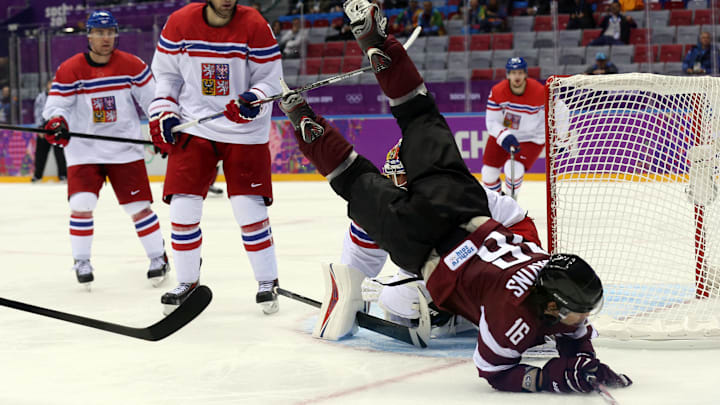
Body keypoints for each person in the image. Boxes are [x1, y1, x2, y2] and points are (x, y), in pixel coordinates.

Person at [279, 0, 633, 393]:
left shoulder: (543, 289)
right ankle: (305, 119)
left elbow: (357, 266)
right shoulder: (516, 314)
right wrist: (555, 374)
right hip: (427, 245)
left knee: (417, 117)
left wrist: (581, 356)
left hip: (456, 211)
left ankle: (367, 56)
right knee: (353, 178)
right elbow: (495, 372)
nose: (583, 318)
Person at [149, 0, 282, 315]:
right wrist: (165, 110)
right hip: (196, 125)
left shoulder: (254, 24)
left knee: (248, 209)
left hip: (245, 130)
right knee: (182, 206)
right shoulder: (179, 23)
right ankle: (186, 281)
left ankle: (267, 281)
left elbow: (270, 79)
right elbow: (166, 77)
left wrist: (255, 98)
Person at [342, 138, 542, 337]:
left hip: (514, 241)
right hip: (480, 249)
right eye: (394, 175)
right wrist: (349, 290)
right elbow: (360, 253)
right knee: (400, 300)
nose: (395, 183)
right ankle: (461, 312)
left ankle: (468, 313)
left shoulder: (450, 197)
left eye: (402, 175)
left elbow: (450, 256)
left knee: (400, 298)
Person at [42, 11, 169, 289]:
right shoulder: (70, 69)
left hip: (124, 149)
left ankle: (158, 256)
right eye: (99, 33)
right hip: (84, 150)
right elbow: (56, 106)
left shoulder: (132, 65)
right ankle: (82, 260)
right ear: (88, 35)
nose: (105, 38)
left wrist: (161, 124)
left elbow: (154, 99)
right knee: (81, 205)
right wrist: (56, 121)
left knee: (138, 207)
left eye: (110, 32)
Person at [481, 57, 544, 198]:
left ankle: (510, 200)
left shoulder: (539, 91)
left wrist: (561, 137)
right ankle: (497, 204)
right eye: (514, 72)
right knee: (488, 173)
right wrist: (504, 136)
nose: (517, 76)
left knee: (513, 168)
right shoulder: (498, 91)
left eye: (520, 72)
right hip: (506, 134)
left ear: (526, 74)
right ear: (508, 74)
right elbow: (491, 121)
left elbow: (560, 109)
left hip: (531, 137)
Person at [32, 79, 67, 183]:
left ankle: (63, 175)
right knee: (41, 154)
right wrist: (39, 128)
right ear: (47, 85)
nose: (51, 86)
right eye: (50, 84)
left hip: (57, 127)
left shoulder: (61, 97)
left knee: (60, 153)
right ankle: (37, 176)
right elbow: (37, 113)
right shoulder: (41, 97)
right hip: (44, 128)